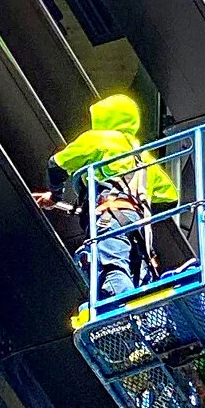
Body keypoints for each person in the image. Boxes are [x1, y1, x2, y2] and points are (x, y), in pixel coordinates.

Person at [36, 92, 176, 305]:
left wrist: (55, 195)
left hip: (108, 217)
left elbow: (57, 164)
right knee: (141, 274)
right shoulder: (143, 156)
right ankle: (151, 323)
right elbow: (170, 197)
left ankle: (128, 316)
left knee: (113, 268)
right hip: (139, 225)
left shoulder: (99, 139)